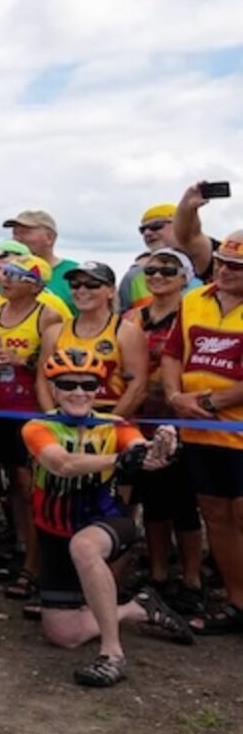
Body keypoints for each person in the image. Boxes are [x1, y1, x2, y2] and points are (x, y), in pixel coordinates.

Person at [25, 349, 194, 685]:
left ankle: (112, 654)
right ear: (54, 389)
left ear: (98, 389)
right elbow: (62, 464)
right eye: (68, 384)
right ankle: (138, 607)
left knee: (84, 547)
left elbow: (142, 453)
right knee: (63, 635)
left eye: (88, 385)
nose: (78, 392)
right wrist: (117, 462)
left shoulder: (115, 425)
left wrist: (162, 446)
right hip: (53, 532)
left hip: (106, 520)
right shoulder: (37, 426)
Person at [0, 254, 65, 598]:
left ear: (35, 285)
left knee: (26, 487)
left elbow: (54, 364)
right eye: (5, 273)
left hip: (28, 412)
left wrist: (23, 359)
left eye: (15, 276)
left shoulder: (47, 315)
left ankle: (32, 567)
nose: (5, 280)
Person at [161, 228, 243, 634]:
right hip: (200, 429)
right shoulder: (194, 298)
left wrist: (211, 402)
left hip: (235, 428)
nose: (226, 271)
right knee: (215, 514)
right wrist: (176, 397)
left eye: (237, 266)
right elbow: (173, 352)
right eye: (223, 262)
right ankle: (236, 602)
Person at [123, 248, 206, 614]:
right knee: (153, 501)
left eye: (167, 270)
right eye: (151, 269)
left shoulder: (190, 315)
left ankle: (191, 579)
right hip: (140, 417)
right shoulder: (132, 316)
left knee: (184, 505)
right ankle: (157, 574)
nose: (156, 275)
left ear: (185, 277)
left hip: (180, 417)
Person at [36, 262, 145, 415]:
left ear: (111, 291)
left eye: (92, 285)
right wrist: (54, 419)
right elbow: (42, 381)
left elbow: (137, 386)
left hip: (109, 412)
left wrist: (108, 424)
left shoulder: (126, 331)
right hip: (64, 415)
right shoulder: (54, 332)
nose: (82, 290)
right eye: (75, 285)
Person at [2, 210, 77, 311]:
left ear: (49, 237)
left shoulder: (75, 274)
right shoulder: (8, 276)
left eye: (25, 233)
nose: (17, 239)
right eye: (15, 233)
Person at [118, 205, 192, 306]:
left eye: (156, 226)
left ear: (180, 226)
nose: (147, 233)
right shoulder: (134, 275)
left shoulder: (209, 267)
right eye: (142, 230)